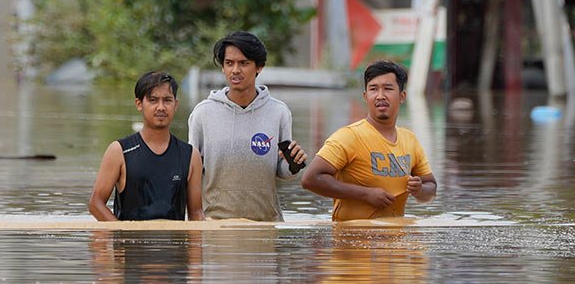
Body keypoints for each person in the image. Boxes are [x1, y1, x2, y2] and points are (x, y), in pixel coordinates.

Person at [187, 30, 307, 220]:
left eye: (244, 63)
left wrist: (294, 165)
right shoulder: (203, 113)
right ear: (223, 68)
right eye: (229, 63)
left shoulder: (278, 112)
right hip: (215, 225)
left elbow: (282, 172)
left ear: (259, 67)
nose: (235, 70)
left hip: (265, 224)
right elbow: (191, 173)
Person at [300, 60, 436, 221]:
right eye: (373, 89)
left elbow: (431, 188)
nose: (380, 96)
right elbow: (310, 179)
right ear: (365, 96)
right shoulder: (348, 136)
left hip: (397, 241)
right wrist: (365, 194)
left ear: (402, 96)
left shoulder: (410, 140)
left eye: (388, 88)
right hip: (352, 239)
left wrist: (419, 190)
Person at [89, 71, 205, 221]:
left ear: (175, 104)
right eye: (153, 100)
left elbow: (196, 213)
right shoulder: (120, 151)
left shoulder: (190, 156)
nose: (161, 107)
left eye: (167, 100)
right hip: (130, 243)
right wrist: (120, 233)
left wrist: (198, 243)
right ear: (139, 104)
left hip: (175, 243)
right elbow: (95, 204)